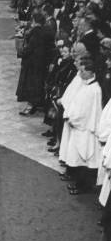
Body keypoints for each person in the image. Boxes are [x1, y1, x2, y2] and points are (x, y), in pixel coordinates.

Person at [59, 61, 102, 195]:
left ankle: (83, 186)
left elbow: (86, 111)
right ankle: (78, 182)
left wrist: (73, 119)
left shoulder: (94, 89)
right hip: (79, 128)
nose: (80, 73)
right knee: (78, 157)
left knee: (85, 160)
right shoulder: (86, 86)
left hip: (85, 129)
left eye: (83, 71)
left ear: (91, 72)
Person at [16, 11, 52, 115]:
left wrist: (21, 52)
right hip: (42, 62)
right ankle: (36, 104)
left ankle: (31, 105)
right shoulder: (46, 31)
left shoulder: (36, 32)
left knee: (32, 84)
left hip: (33, 63)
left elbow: (30, 48)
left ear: (34, 21)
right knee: (38, 83)